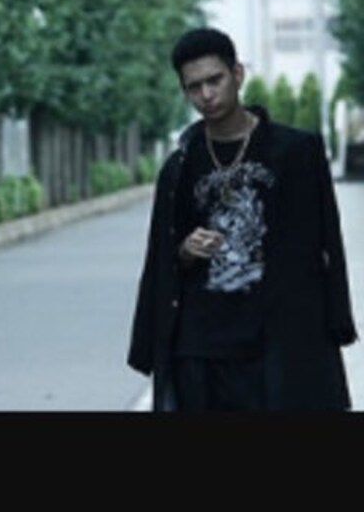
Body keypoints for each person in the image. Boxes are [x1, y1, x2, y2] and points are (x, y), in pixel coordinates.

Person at [128, 27, 358, 411]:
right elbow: (161, 257)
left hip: (277, 341)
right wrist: (185, 251)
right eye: (194, 87)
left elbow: (327, 243)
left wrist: (337, 323)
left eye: (214, 80)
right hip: (202, 347)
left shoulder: (296, 152)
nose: (207, 94)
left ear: (237, 74)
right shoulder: (179, 166)